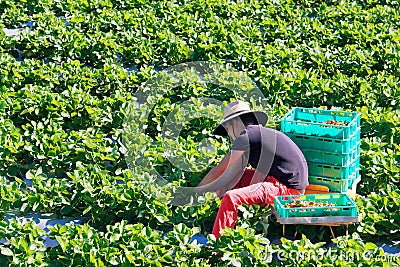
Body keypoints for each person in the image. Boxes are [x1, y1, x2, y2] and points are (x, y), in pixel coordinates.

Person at [197, 100, 308, 238]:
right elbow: (233, 173)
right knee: (234, 181)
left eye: (228, 130)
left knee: (231, 197)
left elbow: (219, 170)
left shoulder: (246, 137)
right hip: (277, 181)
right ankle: (219, 218)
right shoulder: (256, 133)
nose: (230, 136)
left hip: (287, 190)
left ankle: (218, 245)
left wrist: (197, 192)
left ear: (235, 123)